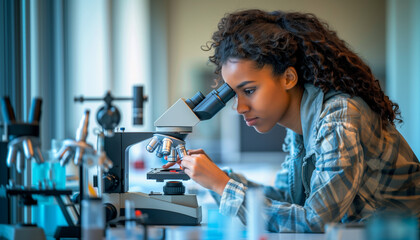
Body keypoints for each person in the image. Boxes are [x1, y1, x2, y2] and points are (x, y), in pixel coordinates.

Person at [163, 9, 420, 232]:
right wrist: (217, 178)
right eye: (233, 94)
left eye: (249, 90)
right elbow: (289, 199)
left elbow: (315, 221)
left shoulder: (339, 119)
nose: (239, 108)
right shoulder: (300, 125)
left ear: (288, 78)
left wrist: (222, 184)